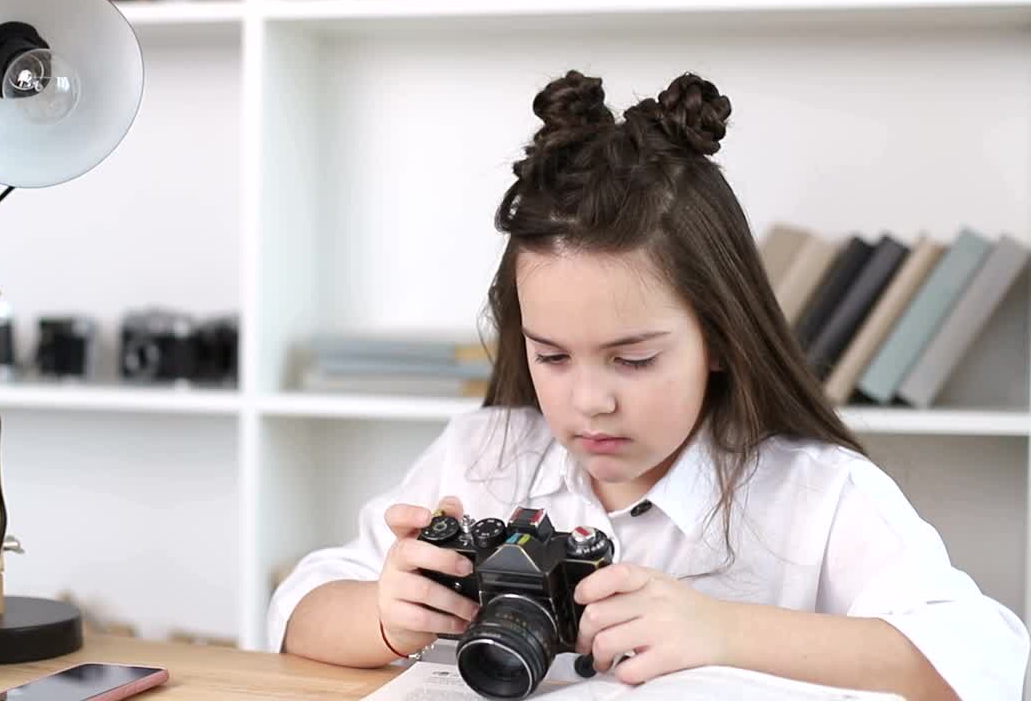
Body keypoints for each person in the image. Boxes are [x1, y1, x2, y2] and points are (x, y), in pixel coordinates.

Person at [266, 70, 1029, 700]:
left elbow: (988, 661)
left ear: (721, 337)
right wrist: (388, 614)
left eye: (632, 360)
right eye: (552, 357)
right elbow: (298, 607)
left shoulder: (816, 494)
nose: (589, 401)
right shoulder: (485, 455)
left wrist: (720, 630)